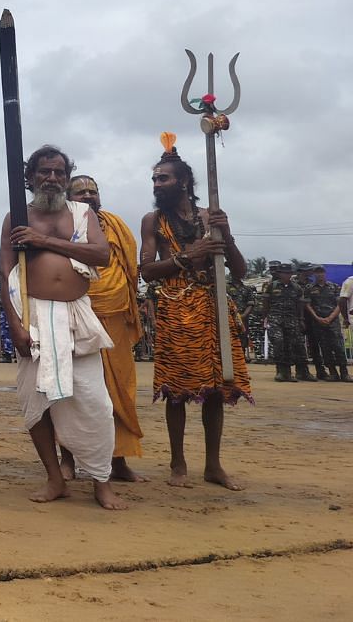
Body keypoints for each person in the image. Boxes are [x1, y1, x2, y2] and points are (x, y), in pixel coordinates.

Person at [0, 145, 127, 510]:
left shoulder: (83, 214)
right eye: (44, 172)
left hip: (76, 318)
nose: (52, 178)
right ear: (30, 178)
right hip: (34, 318)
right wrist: (14, 326)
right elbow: (4, 272)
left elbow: (101, 255)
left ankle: (101, 482)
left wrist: (43, 241)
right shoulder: (16, 218)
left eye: (59, 172)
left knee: (94, 402)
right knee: (36, 404)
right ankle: (55, 479)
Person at [138, 133, 251, 491]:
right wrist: (189, 256)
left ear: (183, 181)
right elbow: (146, 269)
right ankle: (178, 464)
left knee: (217, 388)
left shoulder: (210, 217)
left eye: (163, 178)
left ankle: (213, 466)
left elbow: (241, 270)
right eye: (155, 178)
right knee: (176, 390)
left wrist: (226, 236)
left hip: (214, 307)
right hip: (176, 309)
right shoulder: (153, 221)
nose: (157, 184)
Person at [64, 174, 146, 482]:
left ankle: (119, 462)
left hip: (116, 318)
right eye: (80, 192)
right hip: (78, 314)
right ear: (69, 198)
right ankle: (68, 461)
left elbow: (129, 270)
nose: (88, 196)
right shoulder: (63, 226)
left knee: (119, 391)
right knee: (75, 390)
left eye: (93, 191)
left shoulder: (116, 225)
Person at [260, 262, 310, 382]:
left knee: (289, 345)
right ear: (279, 274)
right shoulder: (272, 286)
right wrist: (264, 318)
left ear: (291, 274)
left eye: (288, 273)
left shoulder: (297, 288)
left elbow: (300, 305)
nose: (286, 275)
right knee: (278, 341)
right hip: (275, 318)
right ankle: (280, 370)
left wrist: (301, 319)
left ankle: (288, 373)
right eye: (283, 273)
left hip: (291, 319)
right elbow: (265, 303)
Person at [304, 264, 351, 381]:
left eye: (321, 272)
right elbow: (308, 304)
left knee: (338, 347)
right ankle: (332, 372)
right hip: (318, 322)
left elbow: (340, 304)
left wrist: (331, 317)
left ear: (325, 273)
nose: (319, 274)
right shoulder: (309, 288)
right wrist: (317, 317)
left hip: (333, 321)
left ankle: (344, 373)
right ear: (314, 274)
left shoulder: (334, 287)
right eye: (317, 272)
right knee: (325, 348)